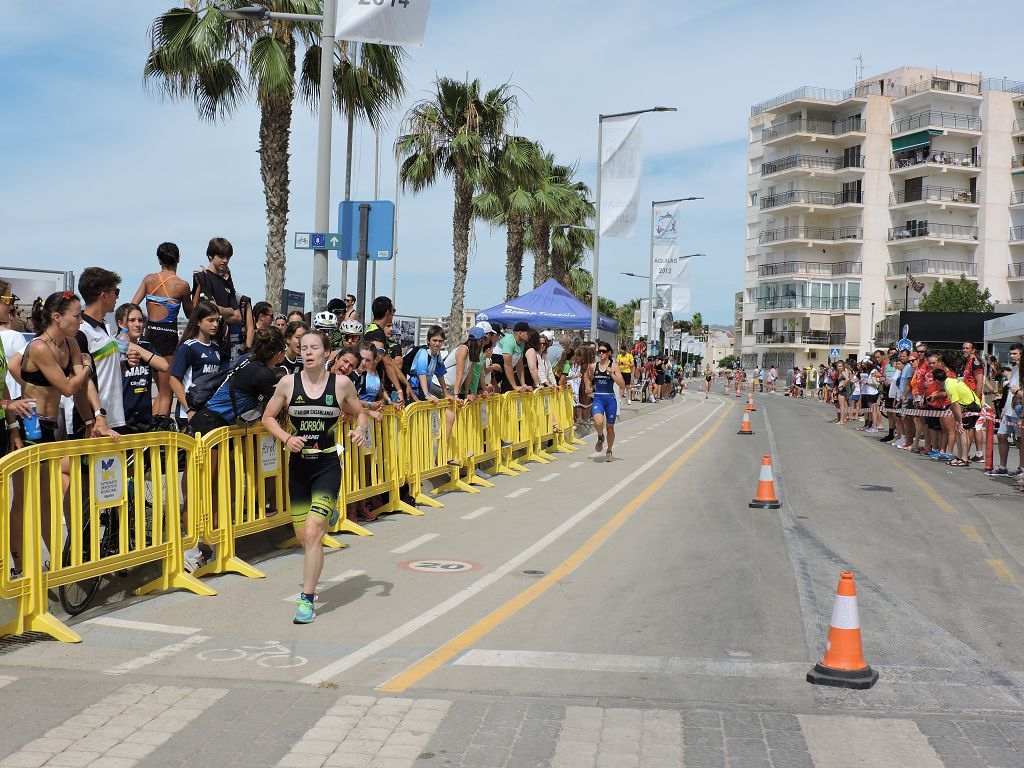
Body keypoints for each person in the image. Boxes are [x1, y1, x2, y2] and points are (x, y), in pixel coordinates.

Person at [261, 329, 376, 624]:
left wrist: (360, 430)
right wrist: (287, 438)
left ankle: (306, 601)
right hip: (298, 468)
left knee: (313, 534)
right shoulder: (288, 383)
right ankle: (327, 514)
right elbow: (267, 417)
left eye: (314, 347)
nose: (308, 352)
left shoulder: (340, 384)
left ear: (327, 353)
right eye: (303, 347)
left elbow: (361, 413)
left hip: (326, 466)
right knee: (303, 537)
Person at [131, 242, 193, 423]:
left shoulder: (149, 279)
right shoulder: (182, 285)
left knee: (154, 388)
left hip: (149, 334)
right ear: (178, 259)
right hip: (168, 336)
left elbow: (133, 305)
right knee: (166, 391)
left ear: (159, 260)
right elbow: (190, 314)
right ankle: (160, 430)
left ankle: (150, 426)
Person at [73, 267, 127, 437]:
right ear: (104, 295)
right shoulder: (81, 331)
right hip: (95, 422)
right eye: (115, 292)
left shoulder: (104, 327)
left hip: (114, 416)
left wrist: (124, 364)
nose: (117, 297)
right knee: (82, 464)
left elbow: (104, 369)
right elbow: (82, 379)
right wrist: (93, 419)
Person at [115, 303, 170, 433]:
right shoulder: (113, 347)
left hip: (143, 418)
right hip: (120, 418)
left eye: (140, 320)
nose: (138, 324)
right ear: (121, 324)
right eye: (132, 320)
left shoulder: (146, 346)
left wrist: (136, 347)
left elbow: (164, 366)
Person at [169, 301, 222, 426]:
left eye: (217, 320)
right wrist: (189, 409)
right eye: (210, 320)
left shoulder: (216, 347)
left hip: (209, 411)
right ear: (198, 321)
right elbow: (173, 379)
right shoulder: (188, 347)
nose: (215, 324)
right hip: (189, 413)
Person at [192, 237, 242, 363]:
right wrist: (228, 310)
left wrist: (220, 312)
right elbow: (209, 310)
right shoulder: (203, 277)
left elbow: (237, 317)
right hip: (204, 347)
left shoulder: (227, 283)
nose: (225, 261)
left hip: (224, 348)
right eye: (221, 256)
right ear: (210, 255)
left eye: (228, 257)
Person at [585, 342, 625, 462]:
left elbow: (622, 384)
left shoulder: (614, 366)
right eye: (599, 351)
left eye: (603, 351)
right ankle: (600, 437)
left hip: (610, 399)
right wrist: (588, 386)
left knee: (610, 428)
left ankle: (609, 450)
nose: (601, 353)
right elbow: (587, 377)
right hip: (598, 398)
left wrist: (612, 374)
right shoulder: (593, 366)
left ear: (609, 353)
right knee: (598, 422)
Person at [987, 343, 1022, 477]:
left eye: (1015, 353)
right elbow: (1010, 390)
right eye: (1011, 353)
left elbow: (1017, 390)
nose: (1012, 356)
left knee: (1020, 440)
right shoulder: (1014, 369)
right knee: (1001, 436)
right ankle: (1002, 466)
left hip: (1018, 410)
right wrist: (1004, 407)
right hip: (1008, 409)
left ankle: (1021, 468)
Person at [409, 325, 449, 401]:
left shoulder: (437, 354)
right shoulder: (424, 353)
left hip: (423, 392)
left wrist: (446, 394)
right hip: (414, 392)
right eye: (434, 340)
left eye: (440, 341)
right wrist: (427, 395)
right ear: (428, 340)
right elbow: (422, 375)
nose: (437, 343)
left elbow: (440, 375)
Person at [493, 322, 530, 393]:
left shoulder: (521, 343)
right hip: (495, 370)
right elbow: (507, 365)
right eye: (527, 333)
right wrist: (515, 386)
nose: (529, 335)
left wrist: (523, 384)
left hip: (503, 370)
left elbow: (519, 365)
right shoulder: (510, 340)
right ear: (520, 333)